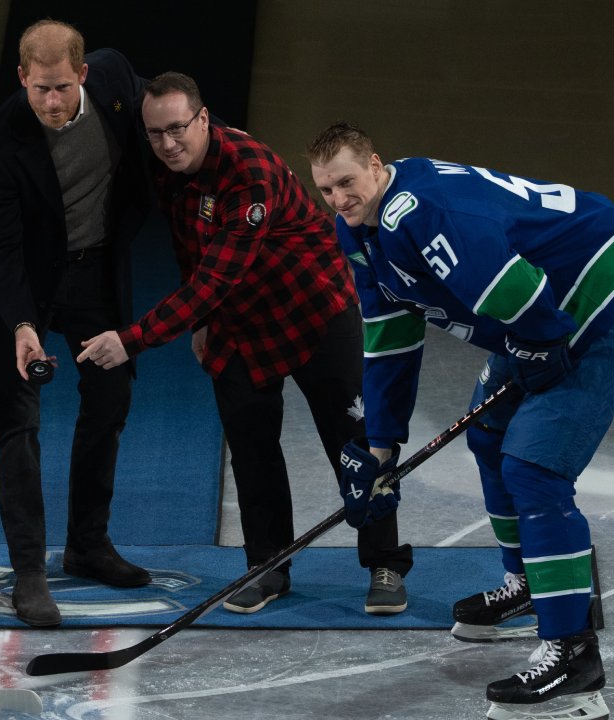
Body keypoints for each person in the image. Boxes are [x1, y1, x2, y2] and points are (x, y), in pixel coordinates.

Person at [307, 122, 614, 719]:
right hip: (540, 308)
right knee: (491, 434)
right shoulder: (360, 230)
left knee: (535, 469)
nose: (340, 200)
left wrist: (543, 345)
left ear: (374, 163)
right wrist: (382, 447)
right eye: (326, 190)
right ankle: (529, 585)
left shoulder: (420, 214)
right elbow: (390, 337)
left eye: (347, 182)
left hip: (599, 291)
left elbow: (508, 284)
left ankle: (574, 658)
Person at [78, 73, 413, 616]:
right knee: (253, 451)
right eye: (156, 133)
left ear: (204, 119)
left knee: (357, 444)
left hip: (313, 312)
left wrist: (132, 340)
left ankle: (385, 563)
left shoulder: (247, 171)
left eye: (179, 129)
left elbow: (213, 280)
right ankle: (267, 567)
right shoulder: (170, 171)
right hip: (239, 323)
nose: (168, 144)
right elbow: (192, 249)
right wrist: (202, 325)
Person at [0, 19, 155, 628]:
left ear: (83, 74)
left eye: (61, 88)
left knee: (111, 396)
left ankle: (88, 545)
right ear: (21, 77)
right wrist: (21, 323)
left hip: (95, 273)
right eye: (38, 89)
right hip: (25, 280)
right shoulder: (0, 142)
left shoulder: (116, 79)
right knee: (15, 418)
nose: (51, 102)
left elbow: (165, 109)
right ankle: (29, 573)